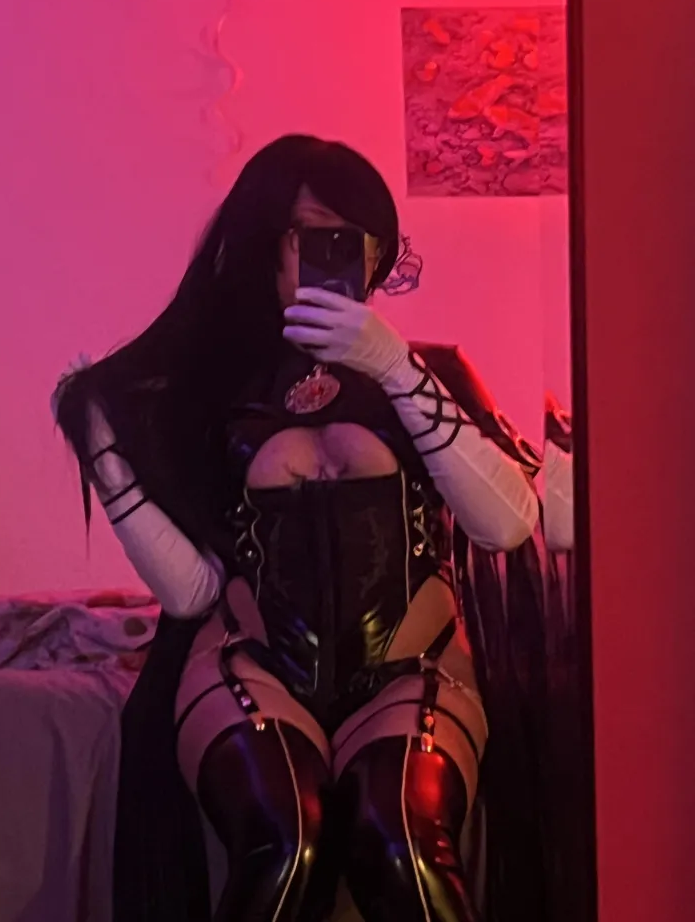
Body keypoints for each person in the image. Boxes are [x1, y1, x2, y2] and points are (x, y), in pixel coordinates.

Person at [53, 135, 541, 922]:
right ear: (264, 247)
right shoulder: (215, 393)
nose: (338, 255)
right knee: (286, 844)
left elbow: (508, 525)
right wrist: (103, 453)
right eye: (312, 236)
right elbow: (191, 592)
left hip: (409, 664)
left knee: (402, 842)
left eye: (356, 238)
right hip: (257, 665)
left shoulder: (428, 374)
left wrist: (394, 368)